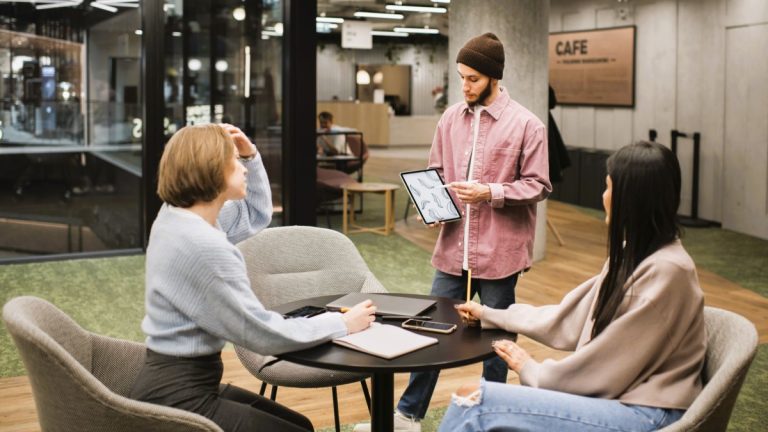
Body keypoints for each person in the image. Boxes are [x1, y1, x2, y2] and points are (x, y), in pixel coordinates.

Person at [355, 33, 551, 432]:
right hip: (452, 250)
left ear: (495, 77)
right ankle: (409, 414)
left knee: (495, 342)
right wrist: (432, 206)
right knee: (427, 330)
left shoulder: (527, 125)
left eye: (474, 79)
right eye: (461, 77)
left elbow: (539, 185)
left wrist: (490, 191)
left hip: (500, 255)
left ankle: (491, 414)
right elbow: (437, 173)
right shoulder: (450, 118)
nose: (465, 86)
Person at [440, 141, 706, 431]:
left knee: (474, 401)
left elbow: (607, 368)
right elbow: (569, 316)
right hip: (624, 398)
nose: (603, 196)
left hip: (648, 413)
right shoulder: (638, 254)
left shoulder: (667, 271)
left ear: (631, 199)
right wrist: (489, 314)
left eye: (608, 187)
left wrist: (533, 370)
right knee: (474, 398)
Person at [129, 123, 376, 432]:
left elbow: (256, 214)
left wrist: (250, 155)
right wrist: (342, 323)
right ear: (212, 168)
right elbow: (261, 334)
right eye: (235, 160)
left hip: (172, 380)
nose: (243, 168)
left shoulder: (177, 216)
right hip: (179, 397)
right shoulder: (206, 246)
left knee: (301, 424)